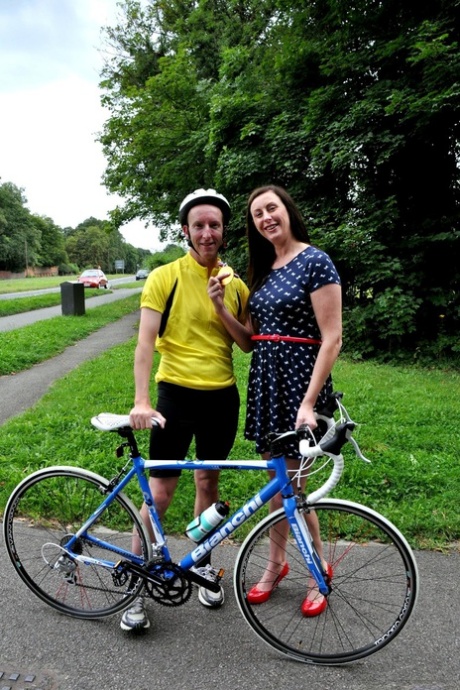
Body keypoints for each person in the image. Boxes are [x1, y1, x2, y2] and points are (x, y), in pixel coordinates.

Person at [120, 188, 250, 632]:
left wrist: (221, 302)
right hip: (174, 394)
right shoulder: (165, 277)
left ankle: (202, 567)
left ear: (223, 231)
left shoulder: (236, 284)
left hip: (221, 397)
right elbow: (143, 343)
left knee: (207, 483)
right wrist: (142, 400)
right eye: (199, 225)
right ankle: (137, 584)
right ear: (186, 230)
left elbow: (246, 343)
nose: (207, 232)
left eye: (214, 225)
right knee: (158, 494)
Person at [243, 184, 342, 617]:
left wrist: (308, 402)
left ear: (287, 210)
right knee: (276, 487)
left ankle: (318, 570)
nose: (266, 217)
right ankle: (276, 564)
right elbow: (248, 340)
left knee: (296, 489)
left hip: (301, 384)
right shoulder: (264, 269)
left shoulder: (315, 261)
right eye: (257, 214)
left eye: (272, 208)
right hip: (267, 381)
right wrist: (220, 307)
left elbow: (332, 337)